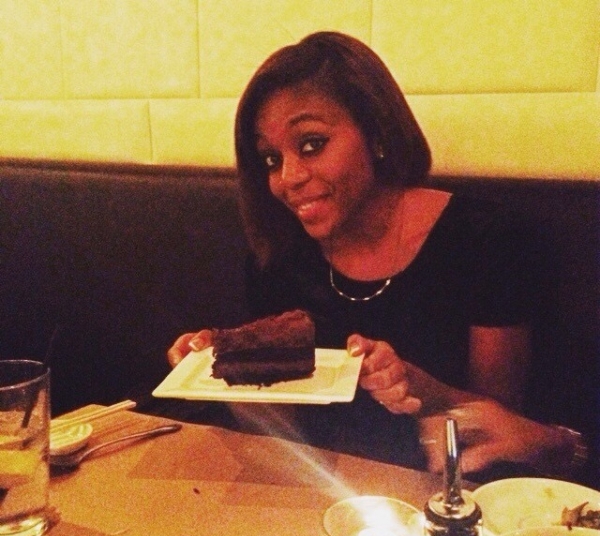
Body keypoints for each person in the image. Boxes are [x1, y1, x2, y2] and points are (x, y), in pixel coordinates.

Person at [167, 31, 590, 482]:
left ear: (377, 133)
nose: (287, 178)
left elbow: (500, 432)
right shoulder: (280, 258)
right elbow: (286, 436)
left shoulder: (486, 241)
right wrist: (221, 377)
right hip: (319, 493)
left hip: (443, 495)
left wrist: (424, 390)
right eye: (271, 159)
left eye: (311, 144)